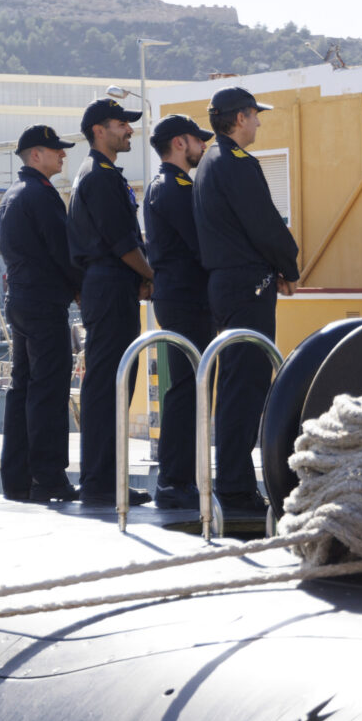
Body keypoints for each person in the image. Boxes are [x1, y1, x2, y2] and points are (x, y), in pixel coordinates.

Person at [192, 85, 301, 518]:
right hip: (245, 284)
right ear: (239, 118)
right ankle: (236, 487)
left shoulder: (209, 162)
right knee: (245, 385)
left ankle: (233, 481)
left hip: (227, 282)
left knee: (236, 383)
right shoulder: (236, 163)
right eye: (255, 115)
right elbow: (265, 223)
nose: (258, 123)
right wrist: (289, 266)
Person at [68, 98, 155, 507]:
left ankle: (105, 479)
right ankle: (100, 483)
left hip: (110, 284)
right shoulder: (99, 177)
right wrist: (151, 275)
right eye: (122, 124)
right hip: (109, 284)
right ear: (98, 130)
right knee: (109, 385)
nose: (129, 130)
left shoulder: (99, 173)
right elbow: (122, 243)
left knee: (113, 383)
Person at [0, 125, 84, 503]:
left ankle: (17, 479)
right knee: (48, 390)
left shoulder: (12, 195)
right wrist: (81, 289)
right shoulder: (42, 195)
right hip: (45, 304)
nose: (63, 155)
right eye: (55, 150)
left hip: (20, 301)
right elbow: (63, 251)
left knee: (21, 389)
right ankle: (48, 478)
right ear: (35, 155)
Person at [142, 114, 215, 511]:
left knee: (190, 387)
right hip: (186, 298)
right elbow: (202, 244)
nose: (203, 146)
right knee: (188, 388)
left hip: (181, 297)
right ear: (180, 143)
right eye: (197, 139)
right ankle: (174, 481)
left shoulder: (168, 185)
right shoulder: (174, 187)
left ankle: (180, 478)